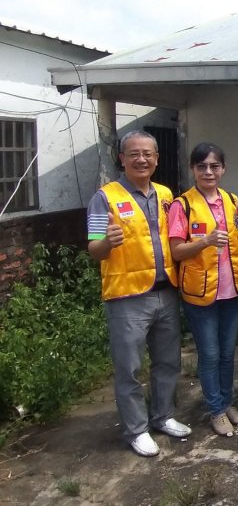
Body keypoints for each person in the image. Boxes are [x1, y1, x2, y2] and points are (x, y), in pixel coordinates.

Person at [86, 130, 191, 457]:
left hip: (166, 293)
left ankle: (162, 416)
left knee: (168, 361)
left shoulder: (165, 194)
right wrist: (107, 242)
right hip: (127, 297)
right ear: (122, 158)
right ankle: (136, 429)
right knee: (129, 367)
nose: (141, 159)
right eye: (134, 153)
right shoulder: (104, 197)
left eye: (148, 154)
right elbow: (93, 248)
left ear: (157, 159)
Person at [168, 143, 238, 437]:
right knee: (210, 353)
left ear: (223, 169)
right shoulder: (183, 205)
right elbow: (176, 252)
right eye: (201, 166)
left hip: (231, 290)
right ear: (193, 169)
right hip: (200, 293)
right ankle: (215, 409)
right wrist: (204, 241)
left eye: (214, 166)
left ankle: (226, 403)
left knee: (228, 353)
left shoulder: (231, 200)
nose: (208, 172)